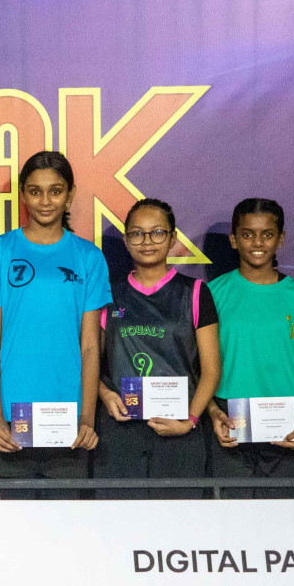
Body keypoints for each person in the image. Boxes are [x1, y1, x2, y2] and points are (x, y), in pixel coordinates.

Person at [0, 151, 109, 499]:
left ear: (70, 194)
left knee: (64, 538)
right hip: (10, 424)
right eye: (35, 191)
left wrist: (87, 420)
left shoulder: (89, 256)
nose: (45, 201)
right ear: (22, 194)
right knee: (14, 539)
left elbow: (91, 346)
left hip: (69, 423)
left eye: (55, 191)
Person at [96, 199, 221, 497]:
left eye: (157, 233)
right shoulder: (108, 292)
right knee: (119, 527)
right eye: (137, 233)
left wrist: (189, 421)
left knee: (178, 528)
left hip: (179, 431)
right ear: (126, 240)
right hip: (121, 428)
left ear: (173, 238)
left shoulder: (195, 292)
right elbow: (90, 360)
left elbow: (211, 370)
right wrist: (105, 393)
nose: (147, 242)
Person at [205, 198, 294, 497]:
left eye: (267, 234)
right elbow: (199, 365)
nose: (257, 242)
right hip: (229, 420)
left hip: (288, 424)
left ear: (281, 239)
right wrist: (211, 411)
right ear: (234, 240)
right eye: (247, 234)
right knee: (231, 524)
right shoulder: (211, 294)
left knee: (283, 524)